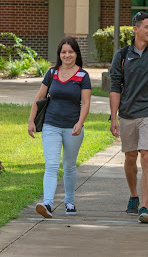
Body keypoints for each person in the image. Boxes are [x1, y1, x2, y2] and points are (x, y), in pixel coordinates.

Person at [109, 11, 148, 224]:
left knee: (146, 156)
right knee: (130, 158)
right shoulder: (121, 56)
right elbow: (115, 88)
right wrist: (113, 117)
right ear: (135, 29)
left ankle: (144, 206)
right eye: (147, 27)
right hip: (127, 113)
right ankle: (134, 195)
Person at [28, 36, 91, 218]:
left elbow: (86, 102)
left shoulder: (83, 75)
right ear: (59, 54)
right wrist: (31, 120)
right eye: (63, 52)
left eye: (70, 52)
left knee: (70, 166)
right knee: (52, 165)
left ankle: (69, 202)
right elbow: (39, 98)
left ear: (76, 54)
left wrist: (80, 123)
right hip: (51, 125)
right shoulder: (52, 73)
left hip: (73, 128)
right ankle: (47, 203)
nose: (67, 55)